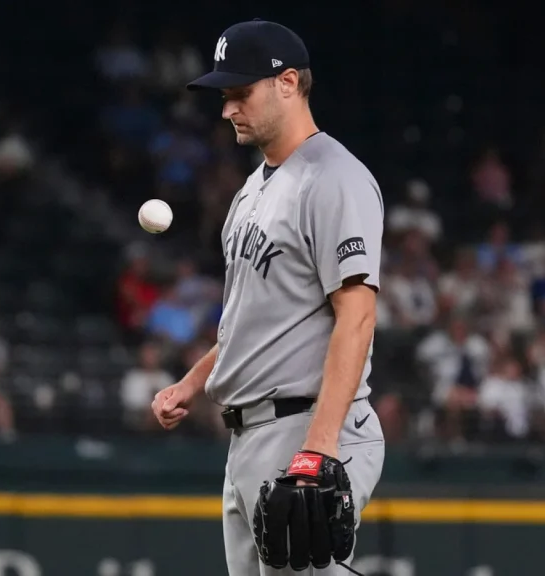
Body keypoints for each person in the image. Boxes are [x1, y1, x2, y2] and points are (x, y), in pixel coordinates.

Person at [151, 19, 385, 576]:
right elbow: (250, 322)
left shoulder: (334, 177)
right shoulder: (252, 190)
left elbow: (357, 315)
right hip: (249, 439)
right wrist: (192, 384)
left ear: (287, 83)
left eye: (240, 92)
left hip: (306, 426)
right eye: (224, 96)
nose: (228, 109)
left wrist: (319, 448)